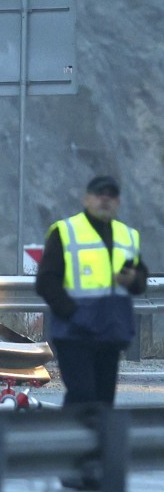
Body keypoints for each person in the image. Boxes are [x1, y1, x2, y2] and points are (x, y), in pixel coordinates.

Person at [36, 175, 148, 411]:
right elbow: (46, 282)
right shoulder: (65, 232)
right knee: (82, 397)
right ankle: (67, 443)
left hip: (110, 332)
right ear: (86, 199)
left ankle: (97, 447)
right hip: (74, 333)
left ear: (118, 202)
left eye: (111, 195)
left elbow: (140, 280)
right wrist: (74, 313)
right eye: (100, 194)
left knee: (104, 401)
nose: (105, 200)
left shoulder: (127, 235)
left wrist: (132, 279)